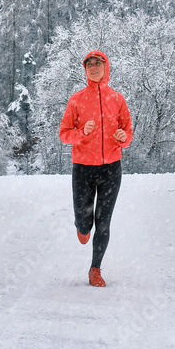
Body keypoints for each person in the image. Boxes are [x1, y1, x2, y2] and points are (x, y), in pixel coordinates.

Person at [59, 50, 133, 287]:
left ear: (105, 67)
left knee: (104, 222)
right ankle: (81, 227)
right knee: (84, 222)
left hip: (111, 168)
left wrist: (122, 137)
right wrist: (82, 134)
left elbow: (128, 132)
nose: (93, 67)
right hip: (83, 168)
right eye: (89, 64)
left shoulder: (117, 99)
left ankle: (95, 269)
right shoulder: (77, 99)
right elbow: (64, 134)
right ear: (85, 70)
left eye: (97, 64)